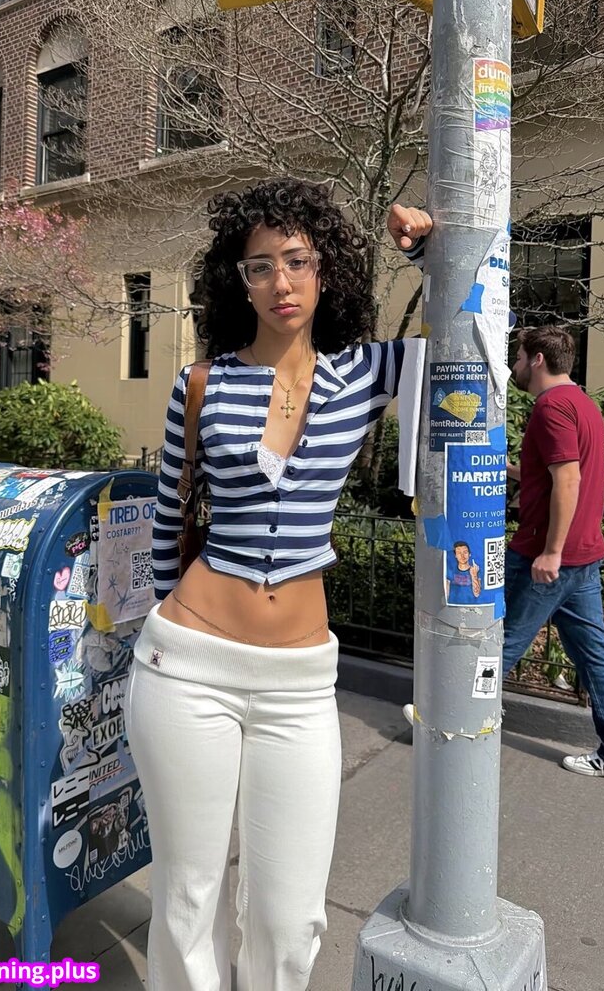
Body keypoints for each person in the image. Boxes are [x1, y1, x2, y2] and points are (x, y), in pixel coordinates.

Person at [124, 178, 431, 991]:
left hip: (299, 682)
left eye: (297, 260)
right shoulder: (201, 383)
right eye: (260, 267)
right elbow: (167, 519)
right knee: (187, 897)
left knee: (291, 919)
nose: (281, 283)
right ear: (240, 281)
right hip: (187, 665)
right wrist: (159, 626)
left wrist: (433, 255)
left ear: (327, 268)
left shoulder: (366, 373)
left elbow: (471, 349)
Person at [503, 326, 604, 781]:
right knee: (596, 657)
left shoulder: (550, 407)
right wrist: (507, 469)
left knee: (497, 643)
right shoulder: (582, 403)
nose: (515, 366)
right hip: (584, 555)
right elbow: (557, 473)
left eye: (519, 357)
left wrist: (551, 552)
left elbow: (568, 479)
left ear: (538, 359)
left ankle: (447, 724)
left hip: (549, 557)